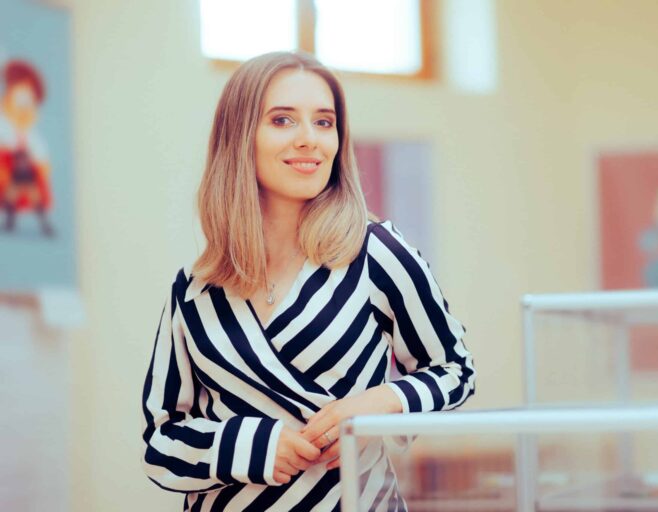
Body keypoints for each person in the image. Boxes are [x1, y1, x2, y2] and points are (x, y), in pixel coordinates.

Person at [141, 51, 476, 511]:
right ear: (240, 138)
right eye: (282, 120)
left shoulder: (377, 253)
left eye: (323, 122)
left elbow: (456, 370)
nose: (309, 140)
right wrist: (251, 447)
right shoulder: (194, 291)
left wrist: (379, 406)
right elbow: (160, 441)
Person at [0, 59, 54, 236]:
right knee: (10, 197)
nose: (23, 109)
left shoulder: (30, 135)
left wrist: (41, 166)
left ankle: (45, 225)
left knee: (36, 198)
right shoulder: (7, 130)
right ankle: (9, 223)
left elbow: (39, 154)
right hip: (14, 172)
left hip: (28, 173)